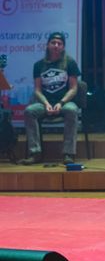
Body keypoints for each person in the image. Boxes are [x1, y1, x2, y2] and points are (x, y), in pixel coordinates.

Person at [18, 32, 81, 166]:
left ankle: (68, 153)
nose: (56, 46)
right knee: (29, 111)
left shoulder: (70, 63)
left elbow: (73, 88)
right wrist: (46, 103)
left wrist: (61, 103)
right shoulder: (38, 65)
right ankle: (35, 153)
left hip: (65, 103)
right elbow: (37, 90)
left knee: (72, 110)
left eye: (59, 43)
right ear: (47, 45)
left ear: (63, 47)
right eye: (53, 43)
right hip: (45, 104)